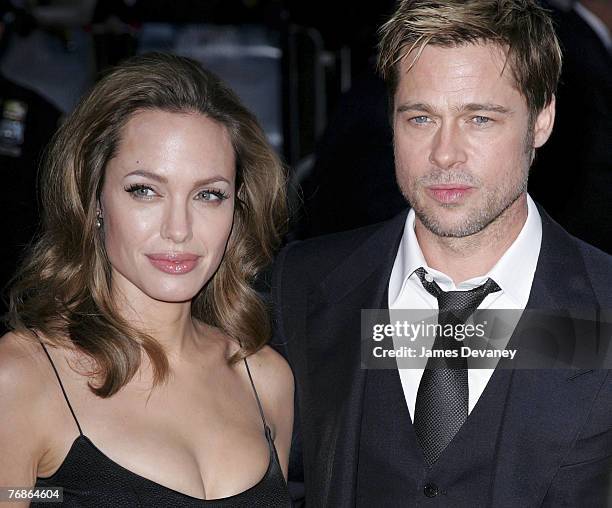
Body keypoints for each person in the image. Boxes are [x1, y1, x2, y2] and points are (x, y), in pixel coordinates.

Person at [272, 0, 612, 506]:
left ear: (542, 121)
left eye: (479, 119)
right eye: (421, 118)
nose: (445, 153)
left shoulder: (603, 304)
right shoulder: (302, 285)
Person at [0, 52, 293, 507]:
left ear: (238, 209)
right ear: (93, 198)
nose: (179, 228)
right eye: (145, 190)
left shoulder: (266, 379)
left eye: (209, 195)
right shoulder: (23, 377)